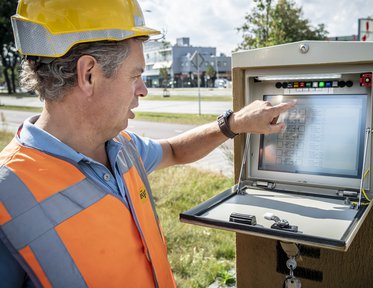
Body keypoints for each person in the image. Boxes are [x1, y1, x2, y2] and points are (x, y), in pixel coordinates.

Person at [0, 0, 295, 287]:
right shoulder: (7, 196)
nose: (143, 90)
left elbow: (174, 150)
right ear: (88, 74)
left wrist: (233, 124)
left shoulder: (122, 147)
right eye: (136, 75)